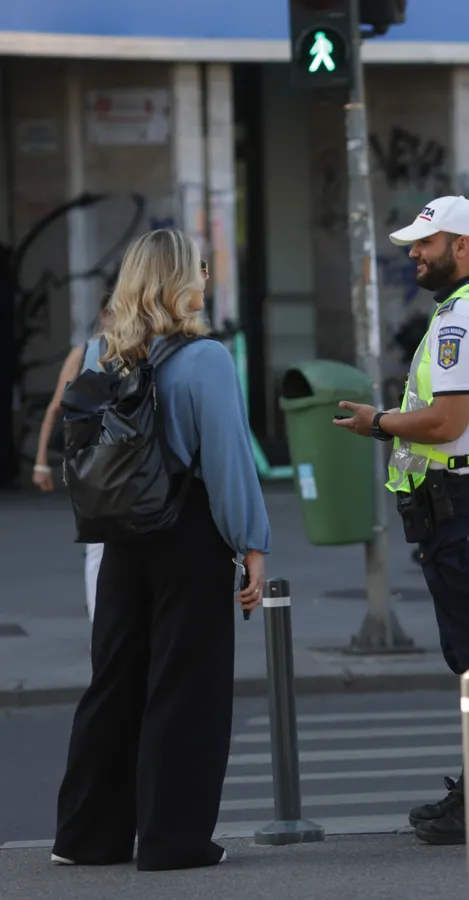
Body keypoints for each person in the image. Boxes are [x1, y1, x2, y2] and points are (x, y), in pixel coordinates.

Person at [50, 230, 269, 871]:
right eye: (199, 264)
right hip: (187, 535)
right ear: (181, 279)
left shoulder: (100, 350)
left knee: (113, 681)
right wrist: (252, 543)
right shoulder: (206, 359)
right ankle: (174, 842)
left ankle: (86, 838)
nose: (206, 273)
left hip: (118, 534)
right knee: (187, 686)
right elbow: (228, 463)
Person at [334, 195, 469, 843]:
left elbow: (446, 422)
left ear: (461, 246)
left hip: (460, 506)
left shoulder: (462, 320)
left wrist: (378, 424)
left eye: (424, 245)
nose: (413, 255)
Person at [32, 294, 115, 623]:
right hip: (94, 459)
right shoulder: (85, 351)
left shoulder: (134, 346)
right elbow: (56, 407)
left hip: (98, 459)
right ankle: (101, 620)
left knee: (101, 544)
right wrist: (40, 461)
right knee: (98, 545)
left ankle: (105, 620)